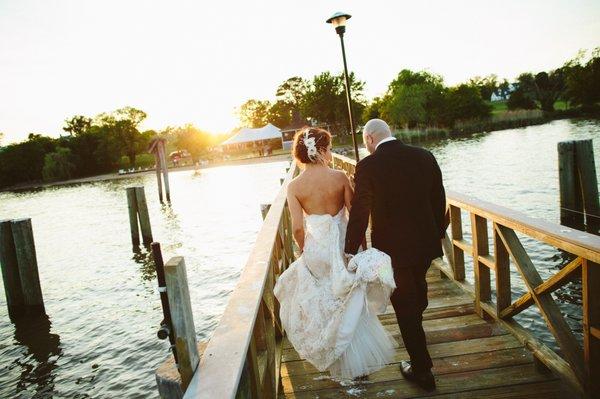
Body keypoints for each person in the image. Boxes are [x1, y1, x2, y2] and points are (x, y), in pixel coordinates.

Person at [274, 127, 396, 380]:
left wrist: (304, 249)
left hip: (317, 249)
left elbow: (297, 227)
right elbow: (355, 217)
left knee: (326, 302)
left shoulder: (295, 186)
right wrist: (360, 248)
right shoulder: (340, 177)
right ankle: (357, 360)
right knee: (348, 298)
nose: (331, 153)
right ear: (319, 151)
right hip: (342, 246)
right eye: (328, 149)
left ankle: (335, 357)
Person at [345, 119, 447, 391]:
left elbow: (360, 210)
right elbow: (439, 199)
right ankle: (418, 340)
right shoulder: (424, 156)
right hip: (425, 245)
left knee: (405, 307)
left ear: (368, 139)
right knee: (417, 294)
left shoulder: (367, 166)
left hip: (393, 251)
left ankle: (422, 370)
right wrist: (438, 232)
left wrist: (349, 248)